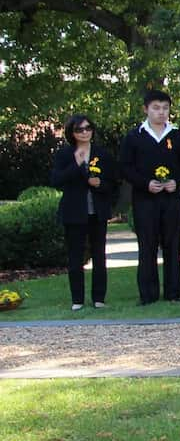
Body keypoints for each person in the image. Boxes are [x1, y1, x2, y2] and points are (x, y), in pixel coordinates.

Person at [119, 89, 180, 304]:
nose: (161, 112)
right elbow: (125, 168)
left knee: (172, 245)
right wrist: (145, 183)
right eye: (156, 108)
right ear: (146, 109)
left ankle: (173, 293)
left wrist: (176, 181)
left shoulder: (177, 136)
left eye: (165, 108)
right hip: (145, 199)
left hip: (171, 199)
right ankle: (148, 295)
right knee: (147, 246)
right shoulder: (134, 137)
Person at [50, 115, 118, 310]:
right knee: (75, 256)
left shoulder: (101, 154)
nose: (85, 132)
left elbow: (113, 183)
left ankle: (99, 298)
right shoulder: (65, 154)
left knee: (99, 255)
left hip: (97, 211)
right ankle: (77, 300)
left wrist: (100, 184)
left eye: (88, 128)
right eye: (80, 130)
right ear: (72, 133)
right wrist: (76, 164)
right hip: (74, 212)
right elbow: (56, 180)